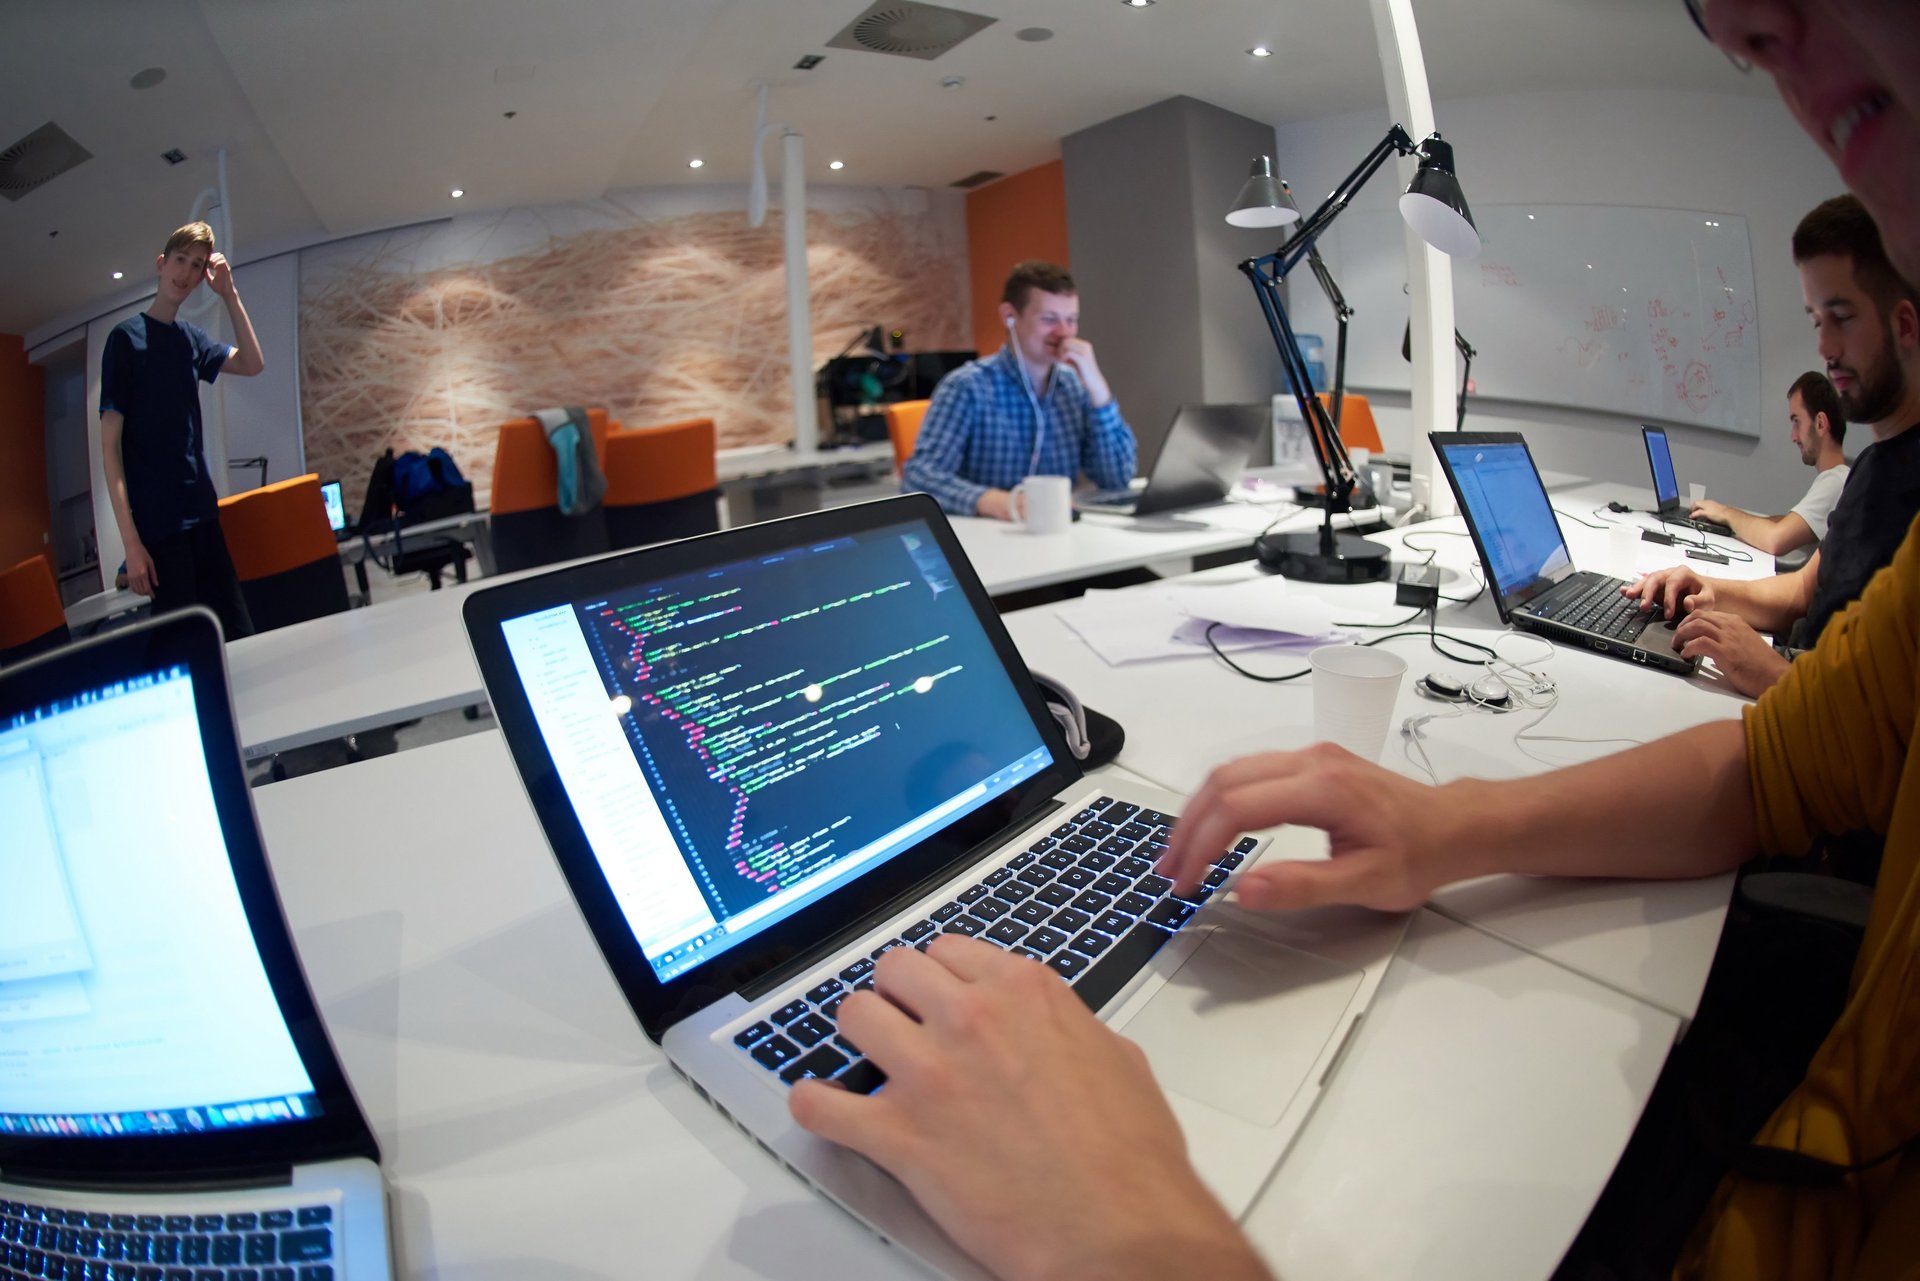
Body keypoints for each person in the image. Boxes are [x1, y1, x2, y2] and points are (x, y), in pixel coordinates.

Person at [788, 5, 1920, 1280]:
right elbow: (1779, 767)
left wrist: (1135, 1234)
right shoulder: (969, 395)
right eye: (1051, 327)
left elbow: (1116, 470)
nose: (1756, 40)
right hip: (1007, 556)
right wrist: (1454, 825)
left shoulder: (1077, 381)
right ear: (1012, 325)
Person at [1625, 194, 1920, 697]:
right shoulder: (1871, 466)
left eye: (1842, 317)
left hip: (1813, 726)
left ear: (1905, 325)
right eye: (1815, 321)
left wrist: (1777, 676)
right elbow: (1806, 589)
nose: (1825, 349)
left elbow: (1894, 723)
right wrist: (1712, 592)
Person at [99, 221, 265, 640]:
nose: (187, 273)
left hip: (204, 516)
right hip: (160, 527)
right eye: (180, 261)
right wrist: (131, 545)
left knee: (239, 634)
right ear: (161, 263)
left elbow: (252, 363)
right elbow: (110, 450)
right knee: (189, 647)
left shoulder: (190, 340)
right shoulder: (125, 340)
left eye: (197, 265)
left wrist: (229, 293)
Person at [901, 261, 1137, 521]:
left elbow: (1117, 478)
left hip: (1060, 536)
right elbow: (919, 478)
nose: (1064, 332)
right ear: (1009, 316)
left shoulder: (1073, 386)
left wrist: (1097, 388)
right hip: (991, 541)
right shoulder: (967, 387)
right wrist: (995, 501)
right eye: (1049, 319)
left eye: (1071, 320)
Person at [1688, 370, 1849, 554]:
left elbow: (1775, 539)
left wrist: (1725, 513)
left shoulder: (1835, 483)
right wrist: (1725, 517)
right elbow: (1785, 522)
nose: (1793, 436)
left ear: (1820, 423)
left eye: (1797, 422)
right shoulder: (1838, 480)